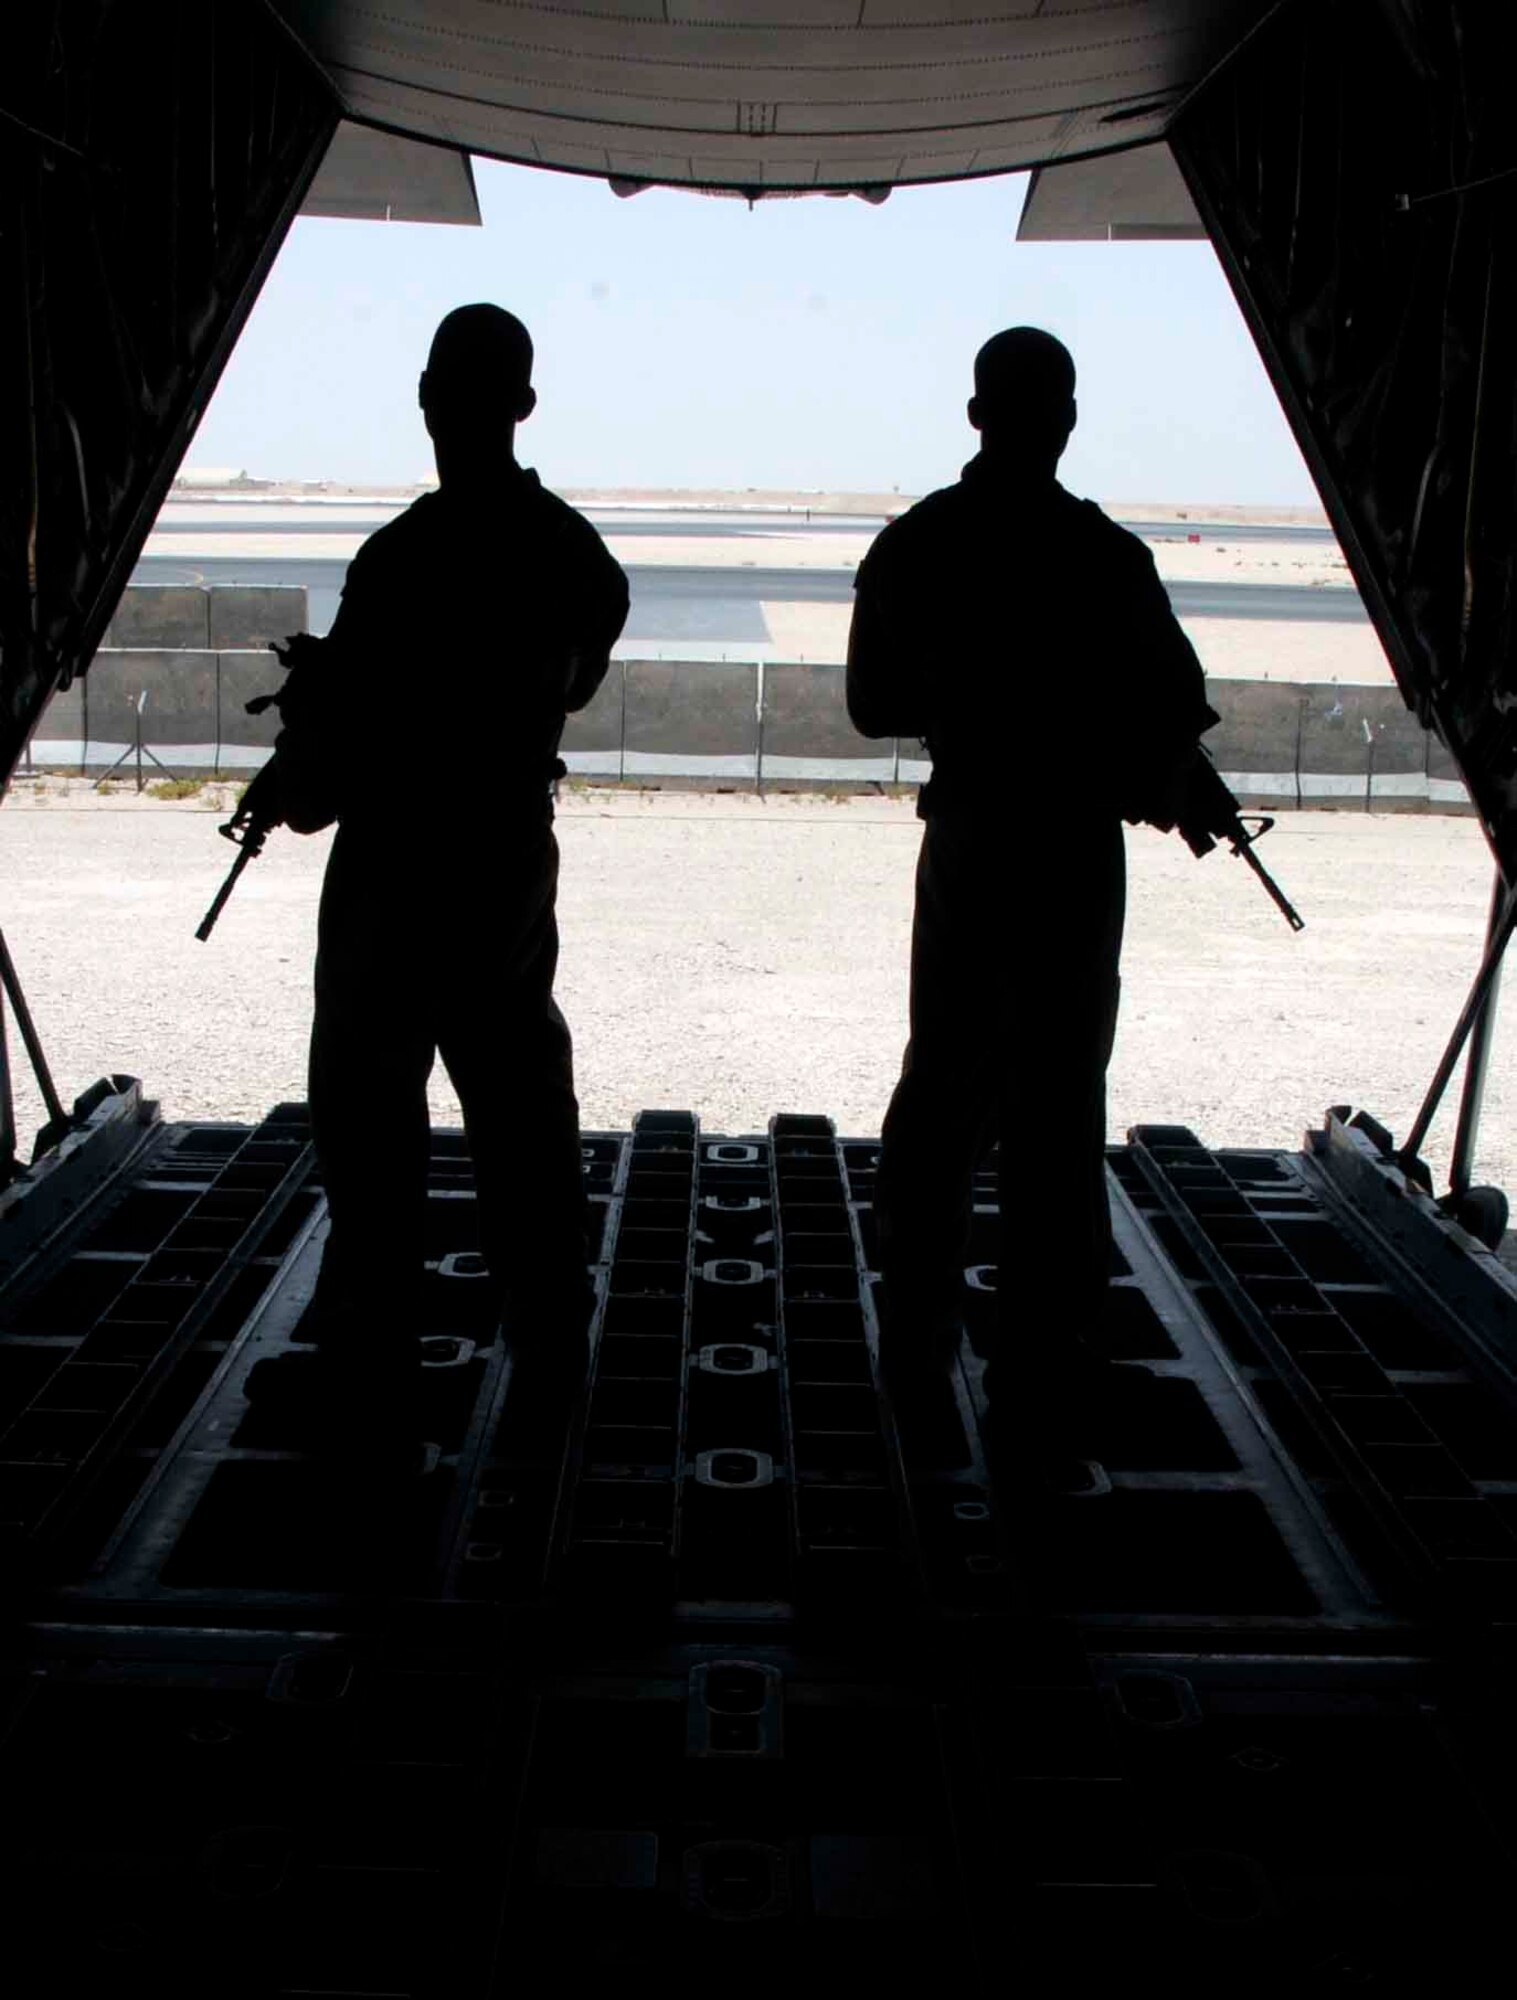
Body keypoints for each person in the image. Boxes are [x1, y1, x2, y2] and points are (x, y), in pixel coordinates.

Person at [846, 326, 1215, 1479]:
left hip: (970, 836)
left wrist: (971, 695)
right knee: (1058, 1096)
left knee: (945, 1072)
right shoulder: (1105, 558)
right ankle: (1043, 1349)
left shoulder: (919, 544)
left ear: (975, 417)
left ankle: (915, 1324)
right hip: (1068, 850)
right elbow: (1169, 711)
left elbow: (868, 705)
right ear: (1062, 419)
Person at [277, 304, 629, 1459]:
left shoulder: (394, 557)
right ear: (521, 406)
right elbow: (569, 687)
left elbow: (334, 759)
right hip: (496, 854)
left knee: (371, 1115)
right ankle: (549, 1338)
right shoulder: (571, 553)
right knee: (518, 1101)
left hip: (389, 861)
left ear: (427, 397)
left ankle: (371, 1351)